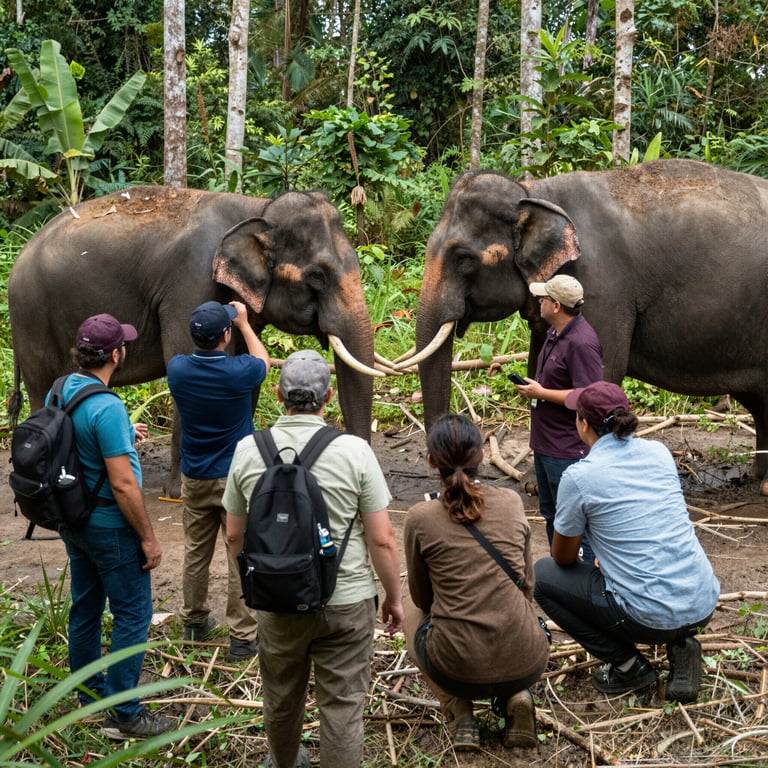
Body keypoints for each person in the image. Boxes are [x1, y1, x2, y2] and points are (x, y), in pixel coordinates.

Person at [223, 349, 403, 768]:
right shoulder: (355, 451)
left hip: (277, 600)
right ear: (329, 398)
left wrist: (258, 583)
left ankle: (284, 762)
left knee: (281, 696)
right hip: (346, 601)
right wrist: (393, 598)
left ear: (278, 395)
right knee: (342, 707)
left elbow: (233, 534)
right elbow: (382, 540)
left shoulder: (248, 449)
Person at [534, 381, 720, 702]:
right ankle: (682, 643)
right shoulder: (659, 452)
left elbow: (563, 558)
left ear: (582, 423)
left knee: (542, 577)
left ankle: (628, 665)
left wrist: (604, 558)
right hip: (701, 602)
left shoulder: (579, 476)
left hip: (647, 617)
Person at [54, 313, 176, 739]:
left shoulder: (62, 389)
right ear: (116, 355)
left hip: (74, 521)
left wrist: (123, 432)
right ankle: (125, 715)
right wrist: (148, 538)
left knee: (86, 608)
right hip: (110, 527)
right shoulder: (106, 407)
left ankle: (90, 696)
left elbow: (74, 439)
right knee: (133, 614)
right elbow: (123, 484)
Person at [403, 414, 550, 752]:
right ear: (482, 456)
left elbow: (422, 599)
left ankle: (459, 710)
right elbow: (527, 586)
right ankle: (516, 694)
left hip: (456, 669)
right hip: (527, 660)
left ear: (431, 461)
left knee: (409, 608)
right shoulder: (511, 502)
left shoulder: (419, 518)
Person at [167, 300, 270, 660]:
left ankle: (194, 623)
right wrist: (245, 324)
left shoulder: (177, 370)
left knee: (196, 551)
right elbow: (263, 361)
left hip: (194, 475)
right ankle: (242, 637)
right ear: (225, 335)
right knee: (239, 552)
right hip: (234, 478)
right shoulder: (238, 372)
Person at [512, 274, 603, 563]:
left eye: (544, 298)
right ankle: (562, 573)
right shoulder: (555, 333)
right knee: (551, 514)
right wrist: (536, 390)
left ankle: (584, 575)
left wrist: (542, 393)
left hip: (566, 449)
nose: (539, 301)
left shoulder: (582, 342)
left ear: (556, 306)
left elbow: (587, 395)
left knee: (574, 521)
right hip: (545, 443)